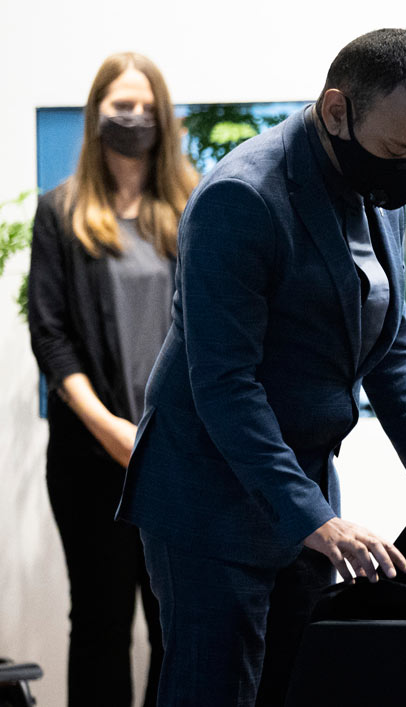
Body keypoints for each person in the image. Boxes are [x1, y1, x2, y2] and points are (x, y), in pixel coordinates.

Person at [115, 29, 406, 706]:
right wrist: (315, 519)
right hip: (208, 499)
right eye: (400, 151)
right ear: (337, 111)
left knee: (298, 686)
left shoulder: (376, 191)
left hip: (300, 491)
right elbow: (225, 383)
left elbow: (393, 357)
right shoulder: (241, 199)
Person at [27, 51, 198, 707]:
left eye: (146, 107)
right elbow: (50, 332)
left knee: (175, 626)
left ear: (165, 118)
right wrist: (108, 429)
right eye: (121, 106)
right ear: (97, 114)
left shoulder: (194, 208)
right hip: (89, 458)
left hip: (178, 457)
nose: (134, 118)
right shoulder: (60, 212)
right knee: (98, 625)